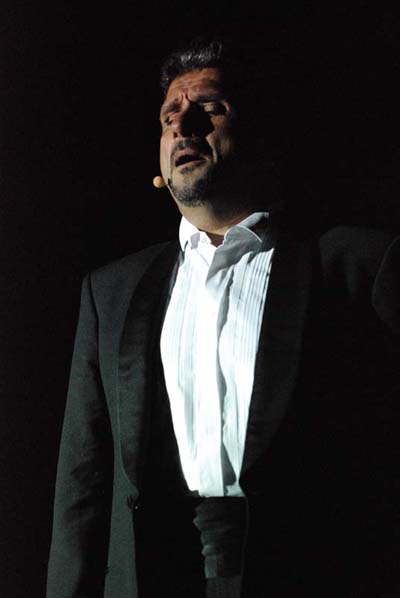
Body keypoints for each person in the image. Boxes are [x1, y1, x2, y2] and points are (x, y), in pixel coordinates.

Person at [47, 37, 400, 598]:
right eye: (169, 115)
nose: (182, 124)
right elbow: (82, 483)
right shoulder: (110, 291)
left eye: (210, 107)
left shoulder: (357, 265)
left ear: (262, 134)